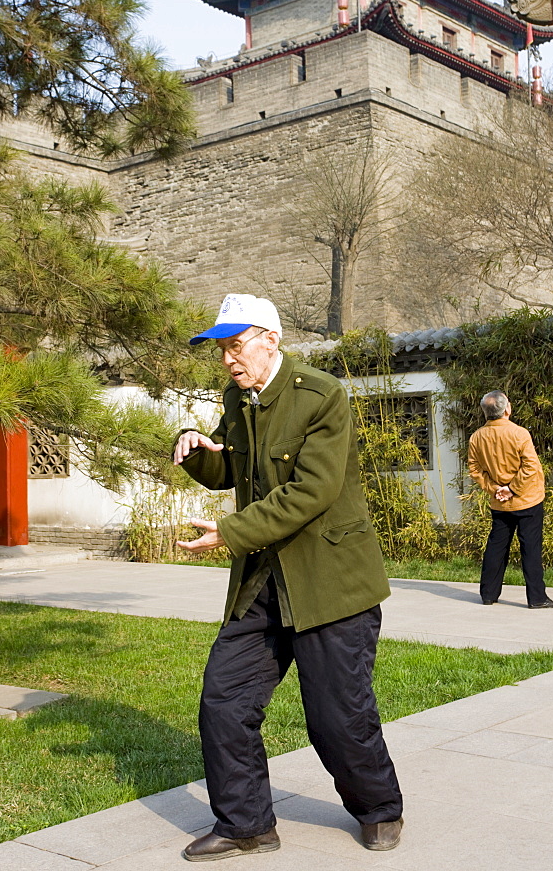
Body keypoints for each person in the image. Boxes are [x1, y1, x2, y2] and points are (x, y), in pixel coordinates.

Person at [172, 293, 403, 862]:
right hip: (263, 583)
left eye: (236, 345)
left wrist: (230, 532)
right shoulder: (237, 398)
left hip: (331, 583)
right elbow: (237, 466)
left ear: (270, 341)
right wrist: (199, 451)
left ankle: (379, 808)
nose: (227, 359)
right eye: (222, 349)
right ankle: (246, 825)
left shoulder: (322, 395)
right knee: (224, 701)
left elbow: (311, 492)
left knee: (337, 718)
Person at [467, 390, 553, 610]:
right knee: (530, 547)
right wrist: (512, 489)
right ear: (507, 409)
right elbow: (531, 466)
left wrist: (495, 489)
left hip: (499, 501)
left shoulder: (477, 437)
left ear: (485, 412)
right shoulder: (519, 433)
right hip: (527, 499)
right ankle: (537, 597)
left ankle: (488, 594)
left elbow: (474, 469)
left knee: (496, 546)